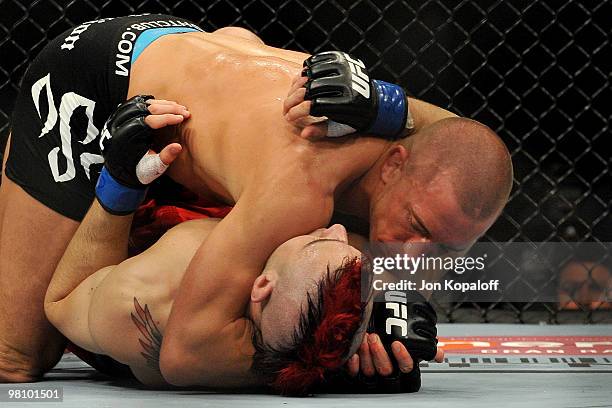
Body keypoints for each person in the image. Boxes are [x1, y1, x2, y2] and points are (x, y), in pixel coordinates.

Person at [0, 13, 512, 385]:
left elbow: (464, 140)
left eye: (444, 248)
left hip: (209, 56)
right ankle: (32, 190)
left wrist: (388, 101)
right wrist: (331, 363)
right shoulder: (299, 192)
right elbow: (187, 351)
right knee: (18, 358)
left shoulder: (411, 155)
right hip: (99, 82)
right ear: (395, 165)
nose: (415, 256)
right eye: (417, 225)